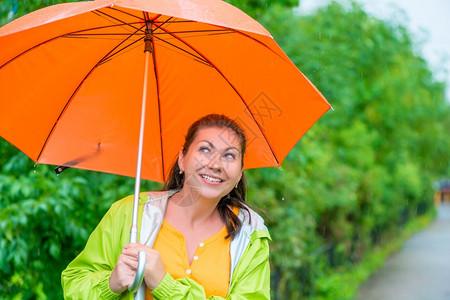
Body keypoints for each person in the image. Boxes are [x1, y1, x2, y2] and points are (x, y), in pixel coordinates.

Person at [61, 114, 271, 299]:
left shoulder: (250, 235)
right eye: (205, 149)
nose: (215, 164)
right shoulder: (131, 213)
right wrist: (111, 284)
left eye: (229, 155)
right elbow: (75, 284)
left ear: (240, 173)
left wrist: (164, 285)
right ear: (182, 159)